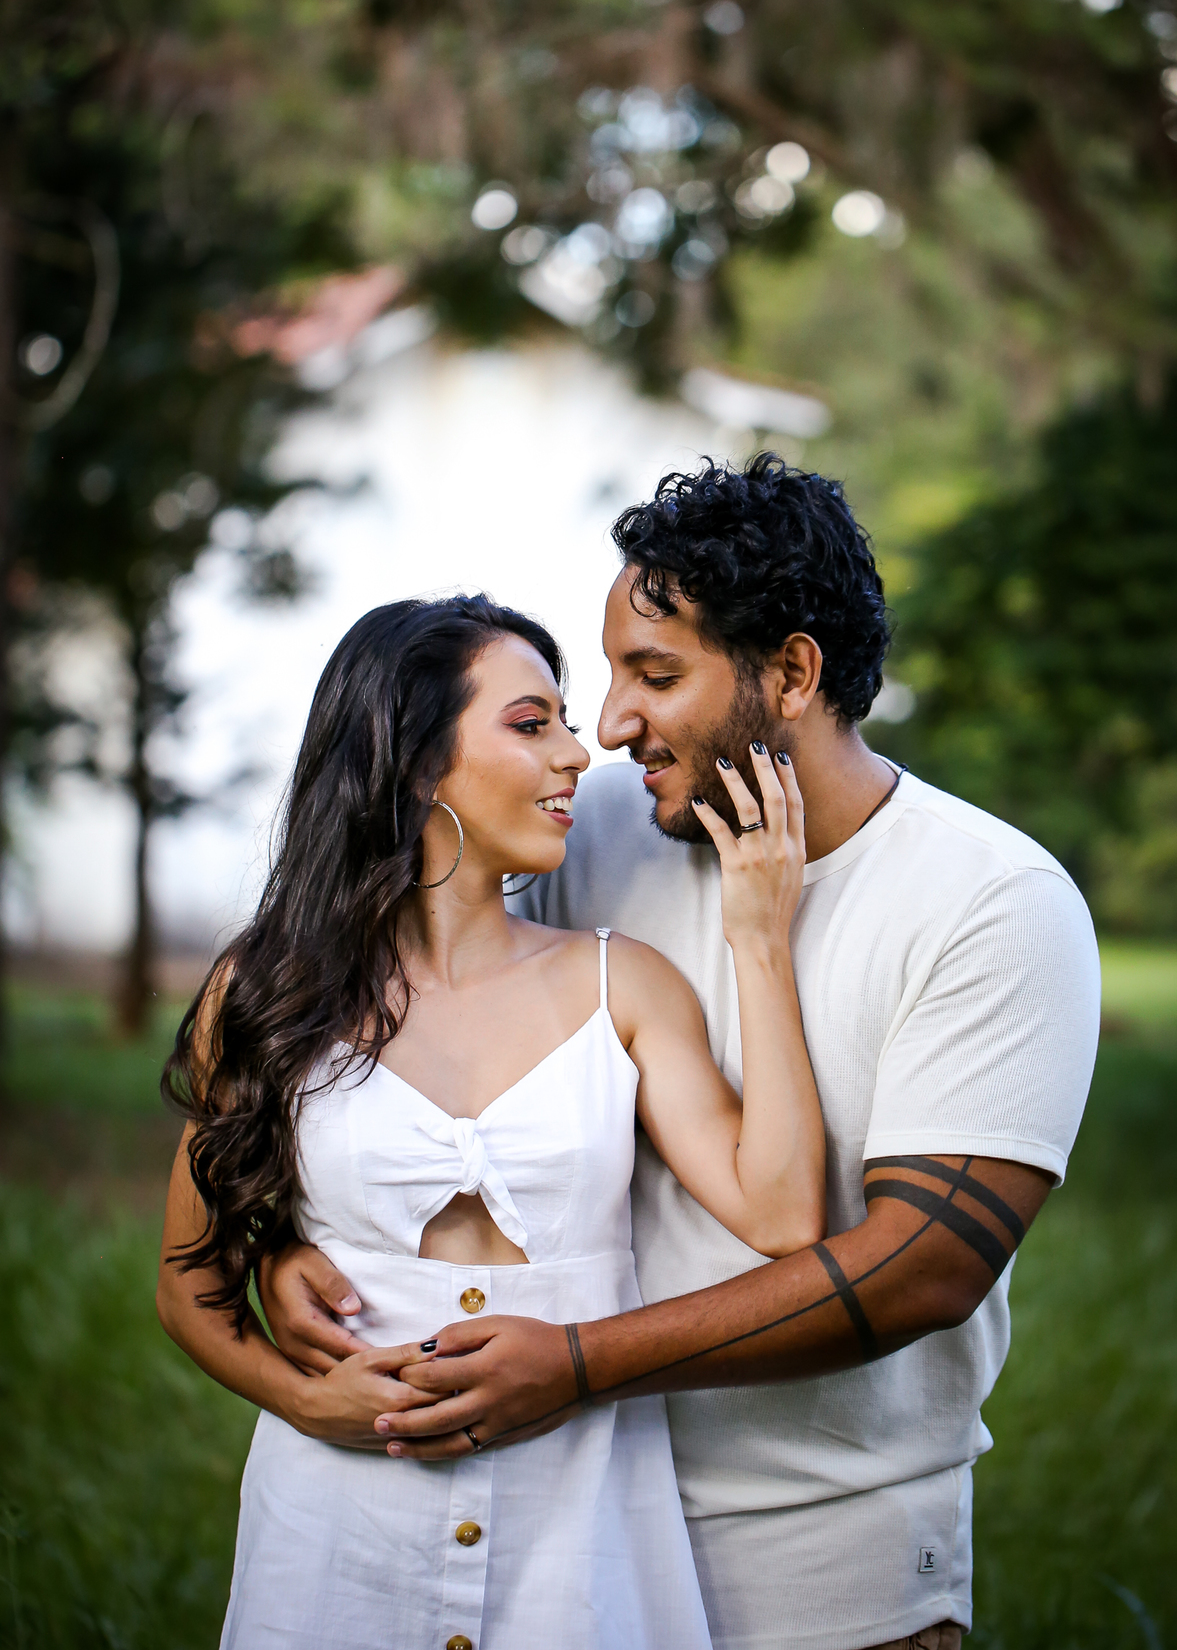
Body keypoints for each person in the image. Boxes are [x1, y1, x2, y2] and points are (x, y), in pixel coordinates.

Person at [262, 457, 1101, 1650]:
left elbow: (922, 1269)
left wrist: (580, 1364)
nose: (606, 728)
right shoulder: (589, 835)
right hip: (558, 1514)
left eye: (655, 675)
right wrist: (306, 1241)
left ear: (794, 674)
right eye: (606, 678)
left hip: (823, 1547)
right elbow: (419, 1041)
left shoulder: (991, 902)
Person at [156, 592, 828, 1650]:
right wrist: (303, 1402)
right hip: (334, 1538)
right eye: (532, 725)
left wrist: (761, 941)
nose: (577, 754)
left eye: (565, 721)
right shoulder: (264, 992)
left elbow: (784, 1212)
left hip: (580, 1533)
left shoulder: (626, 987)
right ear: (416, 761)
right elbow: (190, 1286)